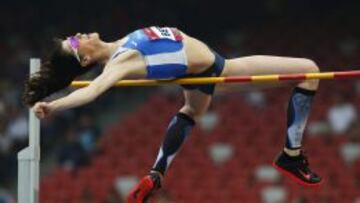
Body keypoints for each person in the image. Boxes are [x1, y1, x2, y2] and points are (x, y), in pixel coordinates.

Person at [24, 26, 322, 203]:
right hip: (217, 70)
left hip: (198, 74)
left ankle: (156, 173)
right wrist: (54, 105)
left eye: (71, 37)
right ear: (85, 58)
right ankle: (291, 155)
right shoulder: (120, 61)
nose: (76, 35)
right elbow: (93, 91)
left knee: (192, 110)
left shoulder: (122, 44)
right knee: (309, 70)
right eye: (74, 44)